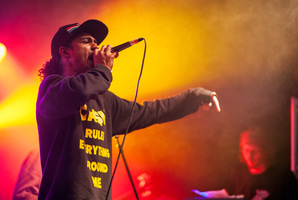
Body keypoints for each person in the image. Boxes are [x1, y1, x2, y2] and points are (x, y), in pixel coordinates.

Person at [36, 19, 220, 200]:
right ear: (65, 52)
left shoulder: (105, 100)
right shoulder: (51, 89)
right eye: (86, 41)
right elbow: (80, 90)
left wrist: (193, 97)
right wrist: (102, 70)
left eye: (96, 42)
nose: (96, 47)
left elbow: (150, 111)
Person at [225, 127, 298, 200]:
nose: (249, 157)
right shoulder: (237, 174)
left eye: (256, 151)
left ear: (266, 152)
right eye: (246, 151)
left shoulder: (283, 177)